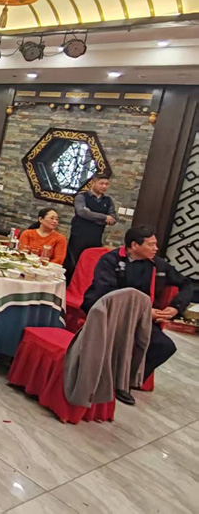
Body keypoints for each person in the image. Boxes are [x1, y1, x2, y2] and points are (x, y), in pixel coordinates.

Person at [82, 226, 193, 405]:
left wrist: (175, 307)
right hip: (110, 312)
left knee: (165, 346)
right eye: (151, 245)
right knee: (121, 338)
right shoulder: (111, 261)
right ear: (134, 245)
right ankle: (105, 377)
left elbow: (187, 284)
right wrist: (144, 312)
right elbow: (107, 294)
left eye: (155, 244)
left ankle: (126, 381)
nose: (156, 248)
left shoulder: (156, 264)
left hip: (141, 318)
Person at [67, 173, 117, 277]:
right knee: (73, 263)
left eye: (106, 184)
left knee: (89, 265)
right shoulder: (81, 197)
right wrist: (104, 217)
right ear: (93, 183)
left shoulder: (108, 201)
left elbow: (113, 218)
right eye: (101, 183)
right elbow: (82, 212)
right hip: (79, 236)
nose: (104, 186)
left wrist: (91, 215)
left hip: (96, 238)